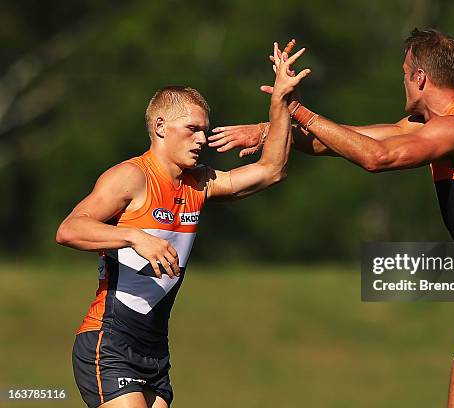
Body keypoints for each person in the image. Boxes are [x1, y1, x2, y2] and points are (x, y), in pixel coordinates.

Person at [209, 31, 454, 407]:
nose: (402, 80)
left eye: (404, 73)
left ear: (419, 78)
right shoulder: (450, 122)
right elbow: (353, 140)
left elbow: (376, 158)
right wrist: (272, 129)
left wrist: (298, 110)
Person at [56, 43, 310, 408]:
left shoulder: (199, 182)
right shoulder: (131, 177)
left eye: (204, 131)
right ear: (161, 127)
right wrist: (133, 236)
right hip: (108, 342)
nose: (202, 139)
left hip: (155, 352)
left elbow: (272, 170)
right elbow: (69, 229)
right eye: (192, 129)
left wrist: (283, 102)